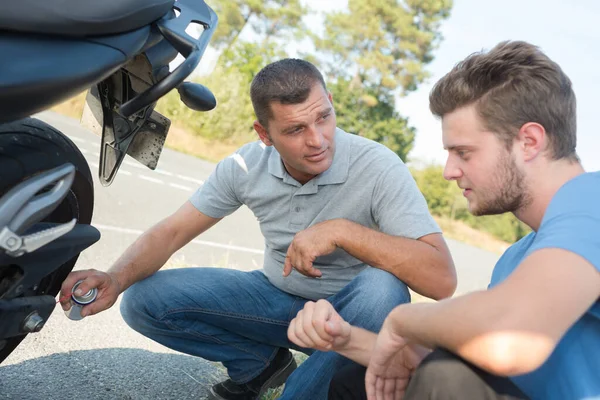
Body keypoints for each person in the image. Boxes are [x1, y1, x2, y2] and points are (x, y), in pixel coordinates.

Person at [59, 58, 456, 400]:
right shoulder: (244, 166)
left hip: (352, 318)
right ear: (264, 135)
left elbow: (441, 279)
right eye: (295, 130)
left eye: (323, 118)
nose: (318, 140)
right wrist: (114, 276)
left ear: (331, 105)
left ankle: (307, 388)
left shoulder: (378, 166)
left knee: (383, 288)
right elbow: (172, 232)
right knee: (143, 299)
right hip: (277, 301)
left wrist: (344, 231)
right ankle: (260, 367)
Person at [288, 40, 600, 400]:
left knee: (448, 378)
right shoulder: (519, 257)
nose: (450, 171)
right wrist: (344, 337)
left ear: (529, 141)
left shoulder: (591, 197)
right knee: (358, 381)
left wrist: (402, 321)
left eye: (463, 152)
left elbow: (509, 340)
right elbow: (474, 367)